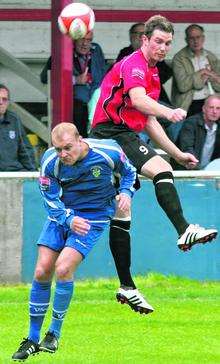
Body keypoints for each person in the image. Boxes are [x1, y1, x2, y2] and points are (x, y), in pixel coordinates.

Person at [89, 15, 218, 310]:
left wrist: (176, 152)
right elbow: (139, 101)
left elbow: (148, 121)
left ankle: (126, 287)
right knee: (160, 171)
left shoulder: (153, 72)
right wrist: (168, 111)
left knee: (123, 211)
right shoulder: (134, 64)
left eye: (168, 44)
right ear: (145, 40)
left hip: (123, 135)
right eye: (158, 41)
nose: (163, 48)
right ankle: (184, 229)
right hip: (112, 134)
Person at [12, 122, 146, 361]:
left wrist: (126, 192)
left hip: (93, 218)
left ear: (80, 140)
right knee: (42, 270)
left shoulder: (108, 151)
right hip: (62, 215)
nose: (63, 154)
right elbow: (49, 199)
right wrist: (68, 218)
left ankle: (53, 334)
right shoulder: (50, 162)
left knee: (63, 268)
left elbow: (130, 172)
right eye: (57, 149)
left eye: (67, 148)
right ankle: (32, 338)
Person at [40, 31, 106, 137]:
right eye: (82, 39)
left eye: (89, 40)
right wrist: (75, 80)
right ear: (74, 39)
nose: (85, 44)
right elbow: (44, 78)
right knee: (79, 110)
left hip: (96, 99)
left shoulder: (96, 49)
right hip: (74, 103)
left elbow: (103, 73)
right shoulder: (62, 50)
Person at [116, 22, 173, 105]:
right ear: (131, 36)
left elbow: (165, 74)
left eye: (144, 33)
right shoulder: (125, 53)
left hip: (155, 97)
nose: (141, 36)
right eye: (137, 33)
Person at [171, 24, 220, 116]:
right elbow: (182, 86)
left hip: (211, 101)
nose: (196, 41)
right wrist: (202, 72)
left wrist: (212, 78)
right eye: (191, 38)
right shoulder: (179, 58)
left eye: (198, 37)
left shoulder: (210, 56)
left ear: (203, 38)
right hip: (189, 104)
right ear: (186, 40)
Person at [171, 94, 220, 170]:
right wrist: (195, 165)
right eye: (211, 107)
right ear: (204, 109)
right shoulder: (191, 123)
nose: (214, 111)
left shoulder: (218, 126)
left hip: (209, 171)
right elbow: (187, 148)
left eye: (218, 108)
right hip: (186, 170)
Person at [0, 84, 36, 171]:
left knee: (32, 182)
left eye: (4, 99)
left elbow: (25, 150)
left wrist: (33, 173)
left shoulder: (14, 119)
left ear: (8, 102)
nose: (0, 102)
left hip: (14, 172)